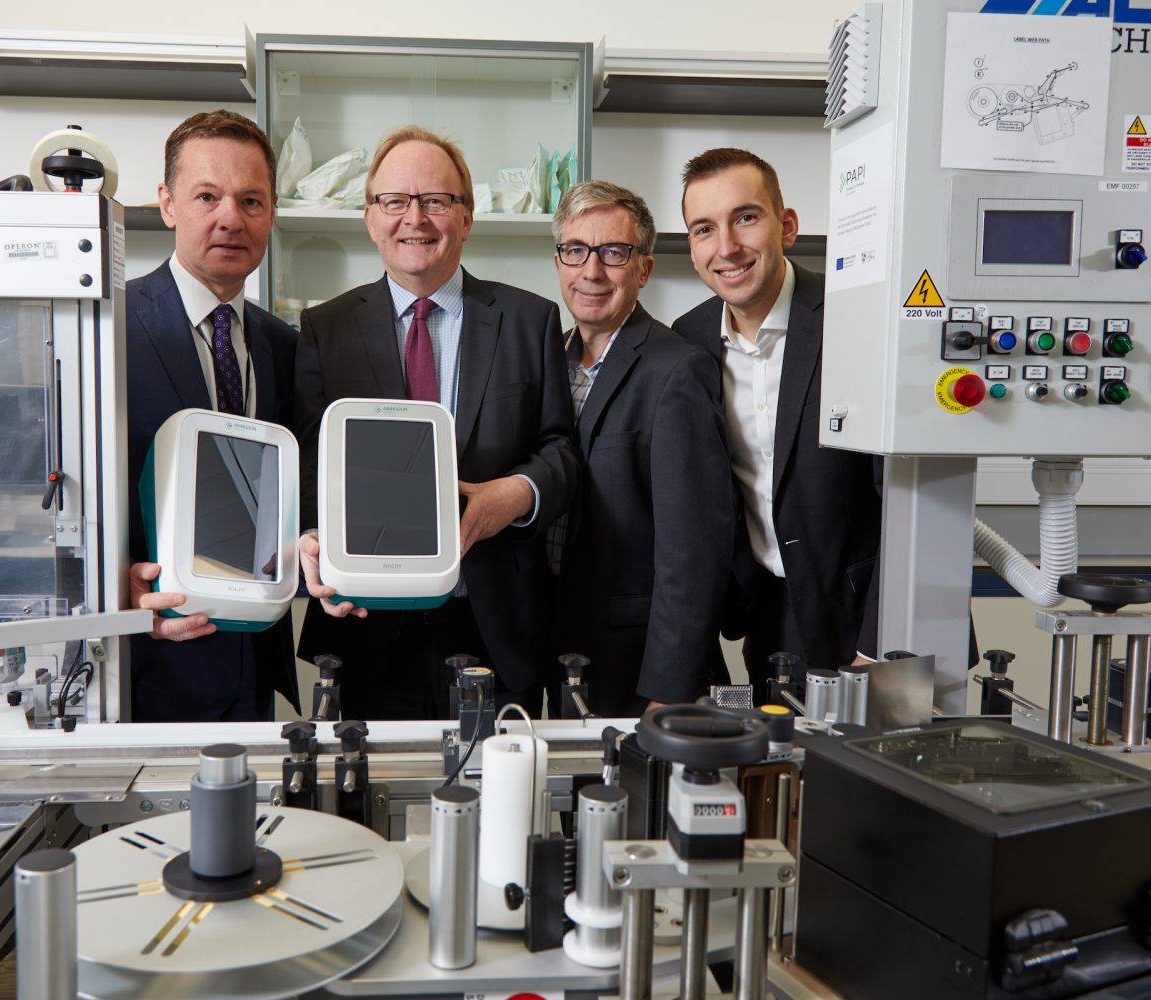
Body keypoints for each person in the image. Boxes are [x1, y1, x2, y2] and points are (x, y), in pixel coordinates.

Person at [293, 125, 579, 720]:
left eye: (436, 201)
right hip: (366, 622)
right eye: (394, 201)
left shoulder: (530, 321)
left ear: (467, 216)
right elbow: (307, 463)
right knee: (357, 804)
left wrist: (516, 493)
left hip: (494, 624)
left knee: (504, 806)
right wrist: (313, 537)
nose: (414, 218)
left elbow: (561, 448)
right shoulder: (327, 328)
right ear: (370, 218)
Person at [672, 148, 882, 693]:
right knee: (779, 772)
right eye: (703, 229)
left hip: (867, 613)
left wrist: (880, 646)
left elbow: (911, 496)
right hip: (769, 617)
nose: (727, 247)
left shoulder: (857, 320)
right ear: (692, 250)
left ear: (787, 226)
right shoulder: (688, 340)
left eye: (745, 217)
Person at [124, 110, 299, 721]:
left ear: (272, 212)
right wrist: (109, 588)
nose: (231, 218)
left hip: (255, 668)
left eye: (251, 200)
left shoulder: (285, 345)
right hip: (149, 665)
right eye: (207, 196)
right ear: (167, 204)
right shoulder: (109, 327)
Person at [547, 180, 734, 716]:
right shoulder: (550, 363)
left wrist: (669, 689)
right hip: (561, 643)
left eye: (614, 253)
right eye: (575, 250)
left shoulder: (677, 369)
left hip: (638, 659)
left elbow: (694, 550)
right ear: (559, 261)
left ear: (643, 269)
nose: (591, 271)